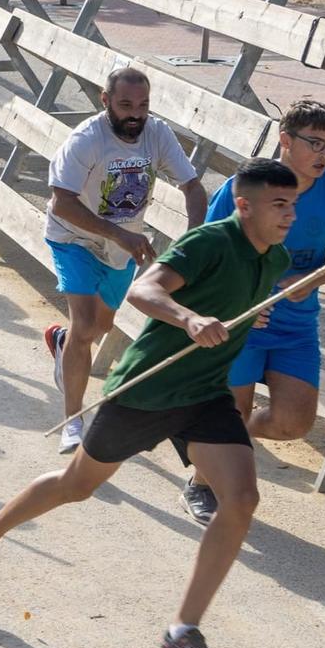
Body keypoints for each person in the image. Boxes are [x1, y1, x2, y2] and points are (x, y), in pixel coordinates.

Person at [0, 159, 301, 648]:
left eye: (293, 204)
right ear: (245, 205)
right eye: (280, 205)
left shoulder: (272, 258)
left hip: (205, 393)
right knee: (77, 486)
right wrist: (188, 318)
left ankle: (182, 633)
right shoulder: (208, 242)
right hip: (149, 390)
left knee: (243, 498)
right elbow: (144, 290)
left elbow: (280, 287)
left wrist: (257, 308)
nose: (290, 214)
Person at [182, 99, 325, 521]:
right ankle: (202, 480)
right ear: (285, 140)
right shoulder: (244, 185)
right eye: (315, 143)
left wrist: (310, 281)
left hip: (296, 326)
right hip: (238, 322)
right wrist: (237, 301)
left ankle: (231, 434)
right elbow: (204, 252)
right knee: (229, 414)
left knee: (295, 424)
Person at [42, 66, 209, 453]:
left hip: (122, 247)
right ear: (105, 101)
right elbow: (62, 203)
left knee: (99, 327)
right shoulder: (87, 139)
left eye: (143, 104)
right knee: (85, 326)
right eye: (126, 104)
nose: (136, 113)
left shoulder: (157, 133)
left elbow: (192, 186)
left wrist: (196, 237)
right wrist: (119, 232)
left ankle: (65, 343)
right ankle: (72, 421)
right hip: (74, 238)